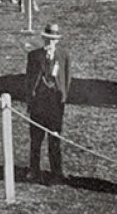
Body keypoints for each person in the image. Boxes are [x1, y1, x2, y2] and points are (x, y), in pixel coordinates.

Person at [25, 23, 72, 184]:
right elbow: (29, 80)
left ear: (57, 41)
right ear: (43, 38)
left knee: (55, 140)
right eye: (48, 39)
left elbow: (66, 79)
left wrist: (62, 99)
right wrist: (30, 101)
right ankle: (34, 170)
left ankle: (56, 172)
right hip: (38, 104)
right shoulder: (34, 56)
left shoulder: (63, 55)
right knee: (36, 140)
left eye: (53, 40)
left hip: (55, 106)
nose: (50, 43)